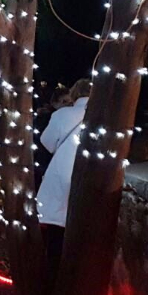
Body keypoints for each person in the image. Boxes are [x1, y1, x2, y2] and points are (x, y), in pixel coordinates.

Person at [36, 78, 92, 276]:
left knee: (57, 231)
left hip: (63, 172)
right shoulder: (104, 116)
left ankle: (54, 274)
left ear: (74, 94)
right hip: (92, 176)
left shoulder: (62, 115)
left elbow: (47, 142)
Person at [33, 86, 70, 189]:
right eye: (64, 101)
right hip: (44, 163)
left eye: (70, 103)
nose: (67, 105)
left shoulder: (66, 118)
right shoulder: (46, 118)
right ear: (55, 103)